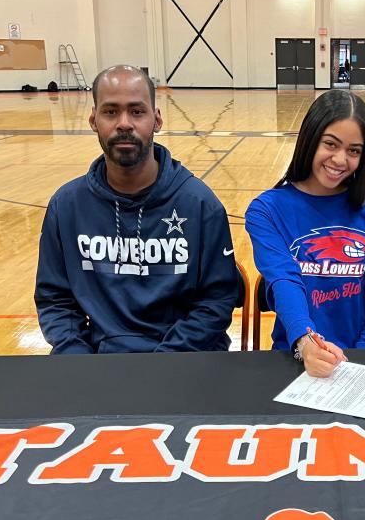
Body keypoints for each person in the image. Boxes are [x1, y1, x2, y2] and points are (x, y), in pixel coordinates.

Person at [35, 65, 239, 354]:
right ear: (93, 120)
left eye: (137, 111)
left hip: (185, 360)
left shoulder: (200, 204)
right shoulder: (66, 206)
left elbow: (216, 301)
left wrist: (161, 365)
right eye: (110, 112)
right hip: (98, 362)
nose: (124, 123)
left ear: (156, 119)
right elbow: (55, 299)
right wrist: (77, 359)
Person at [246, 89, 365, 377]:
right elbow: (284, 280)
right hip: (295, 358)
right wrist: (306, 343)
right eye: (331, 144)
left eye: (354, 151)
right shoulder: (266, 210)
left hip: (364, 362)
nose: (340, 160)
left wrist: (358, 358)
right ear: (310, 139)